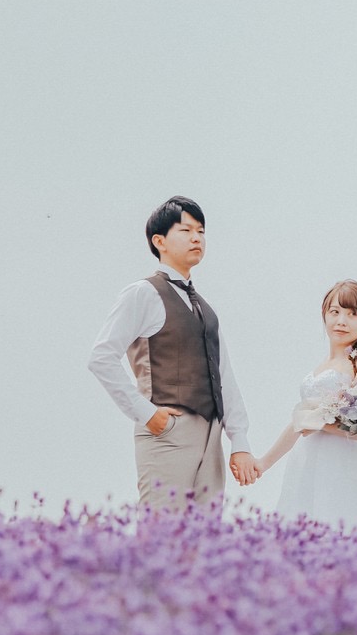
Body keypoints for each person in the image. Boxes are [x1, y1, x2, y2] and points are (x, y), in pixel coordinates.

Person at [88, 195, 260, 510]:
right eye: (186, 230)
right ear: (159, 241)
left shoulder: (206, 309)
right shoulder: (143, 293)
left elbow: (224, 377)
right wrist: (146, 413)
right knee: (162, 530)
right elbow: (101, 358)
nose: (197, 238)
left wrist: (240, 441)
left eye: (201, 231)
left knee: (206, 535)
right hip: (168, 432)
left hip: (211, 436)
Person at [258, 279, 357, 526]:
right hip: (308, 464)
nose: (341, 321)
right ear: (324, 315)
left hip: (346, 464)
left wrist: (322, 424)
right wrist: (263, 463)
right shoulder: (322, 366)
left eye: (352, 314)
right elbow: (299, 423)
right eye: (335, 312)